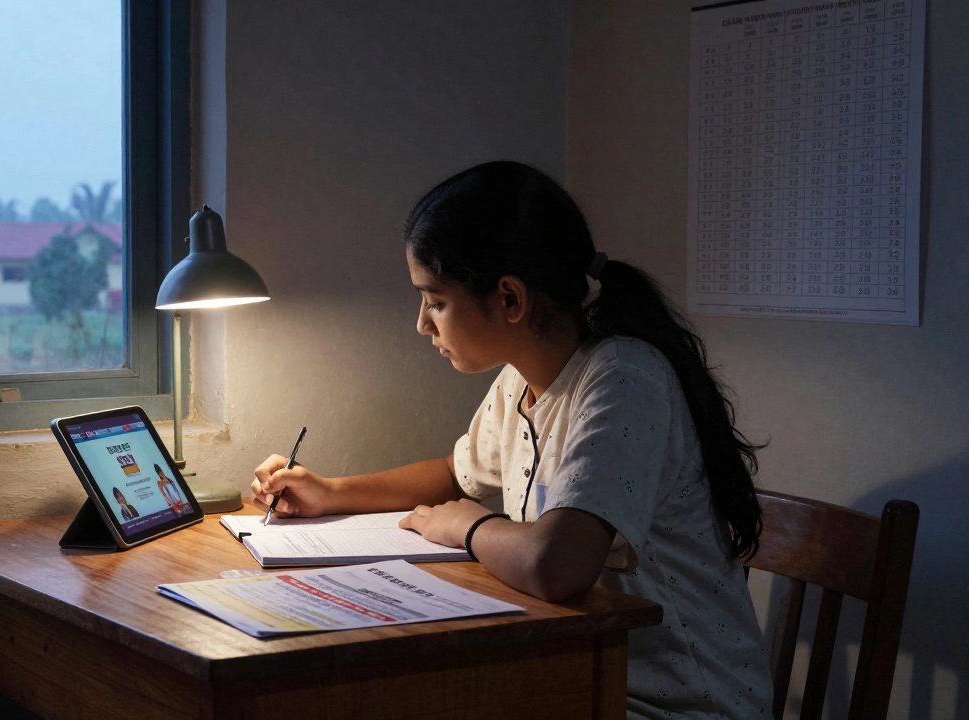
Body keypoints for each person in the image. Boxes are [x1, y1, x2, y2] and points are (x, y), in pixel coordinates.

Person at [252, 161, 774, 719]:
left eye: (435, 300)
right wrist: (331, 491)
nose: (422, 324)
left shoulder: (624, 379)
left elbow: (558, 563)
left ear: (510, 299)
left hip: (677, 704)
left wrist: (469, 525)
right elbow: (458, 473)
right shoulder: (522, 378)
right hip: (579, 671)